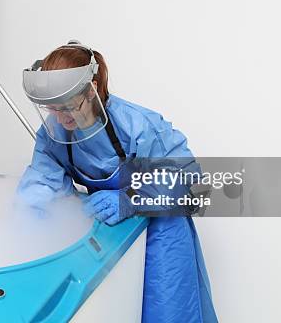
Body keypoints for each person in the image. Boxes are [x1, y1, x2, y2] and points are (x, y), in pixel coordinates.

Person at [17, 40, 218, 323]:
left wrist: (130, 199)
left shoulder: (138, 125)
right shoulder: (54, 133)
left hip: (161, 232)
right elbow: (40, 181)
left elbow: (193, 184)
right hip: (110, 235)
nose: (61, 118)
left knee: (166, 311)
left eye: (68, 106)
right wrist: (31, 214)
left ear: (92, 90)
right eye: (53, 109)